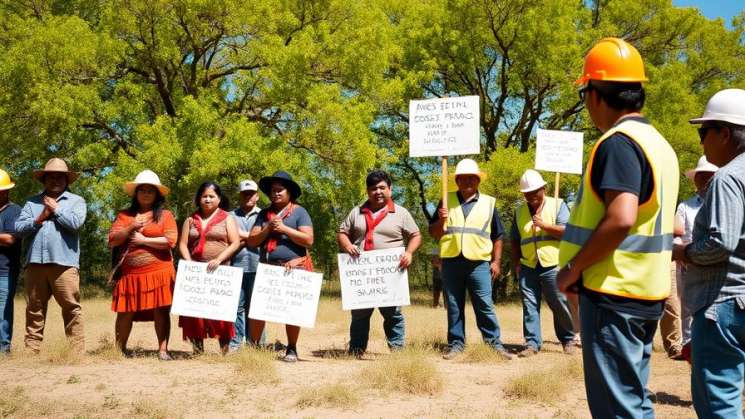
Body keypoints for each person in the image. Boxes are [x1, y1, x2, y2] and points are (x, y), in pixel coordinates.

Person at [556, 38, 679, 418]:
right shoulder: (660, 145)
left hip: (613, 294)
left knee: (617, 409)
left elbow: (622, 216)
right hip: (647, 293)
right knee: (634, 401)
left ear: (593, 94)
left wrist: (573, 269)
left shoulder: (618, 143)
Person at [673, 88, 745, 418]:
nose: (701, 142)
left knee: (717, 400)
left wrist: (684, 252)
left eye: (704, 132)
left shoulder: (727, 178)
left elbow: (720, 243)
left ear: (725, 133)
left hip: (722, 306)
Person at [429, 158, 513, 360]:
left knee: (484, 304)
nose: (468, 181)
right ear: (456, 180)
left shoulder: (489, 203)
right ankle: (456, 344)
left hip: (479, 264)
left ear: (478, 181)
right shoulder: (445, 200)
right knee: (454, 305)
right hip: (451, 262)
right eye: (464, 178)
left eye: (472, 178)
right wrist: (441, 220)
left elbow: (498, 235)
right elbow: (434, 233)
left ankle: (494, 344)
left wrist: (496, 261)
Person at [337, 170, 421, 357]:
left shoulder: (401, 213)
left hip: (390, 273)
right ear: (368, 191)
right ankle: (356, 350)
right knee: (359, 315)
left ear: (390, 189)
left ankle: (397, 351)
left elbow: (416, 235)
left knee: (393, 314)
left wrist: (409, 252)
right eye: (373, 188)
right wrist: (348, 245)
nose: (378, 191)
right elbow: (341, 232)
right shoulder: (356, 212)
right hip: (362, 274)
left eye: (382, 187)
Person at [15, 158, 88, 353]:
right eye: (51, 177)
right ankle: (31, 351)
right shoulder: (31, 203)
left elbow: (76, 223)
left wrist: (55, 210)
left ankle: (76, 353)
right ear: (44, 180)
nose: (55, 180)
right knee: (34, 309)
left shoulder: (76, 201)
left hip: (65, 264)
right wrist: (40, 218)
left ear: (67, 180)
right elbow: (19, 228)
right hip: (35, 263)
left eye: (60, 177)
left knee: (71, 307)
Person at [108, 170, 177, 360]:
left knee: (161, 310)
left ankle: (163, 350)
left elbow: (171, 240)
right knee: (125, 311)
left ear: (156, 194)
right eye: (142, 190)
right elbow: (112, 240)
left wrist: (143, 240)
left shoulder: (165, 215)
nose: (146, 193)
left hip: (160, 272)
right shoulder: (124, 215)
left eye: (150, 190)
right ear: (136, 193)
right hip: (130, 275)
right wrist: (130, 227)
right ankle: (119, 349)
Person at [247, 171, 313, 363]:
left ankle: (291, 348)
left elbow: (309, 240)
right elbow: (252, 241)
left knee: (292, 312)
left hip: (293, 269)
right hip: (268, 268)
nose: (275, 193)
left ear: (289, 192)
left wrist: (284, 229)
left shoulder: (300, 212)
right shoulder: (263, 214)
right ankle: (254, 346)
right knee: (258, 310)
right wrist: (268, 227)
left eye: (280, 190)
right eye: (272, 190)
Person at [510, 169, 575, 357]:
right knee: (529, 305)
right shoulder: (520, 211)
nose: (531, 197)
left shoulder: (558, 204)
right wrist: (516, 263)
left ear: (544, 188)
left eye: (535, 192)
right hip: (528, 265)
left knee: (559, 303)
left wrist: (545, 225)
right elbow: (514, 239)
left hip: (553, 264)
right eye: (527, 194)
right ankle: (532, 343)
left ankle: (568, 339)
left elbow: (568, 232)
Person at [178, 181, 241, 355]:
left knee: (220, 313)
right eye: (204, 196)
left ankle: (225, 350)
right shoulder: (190, 220)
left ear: (219, 199)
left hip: (220, 271)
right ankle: (197, 351)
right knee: (195, 313)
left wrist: (219, 259)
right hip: (196, 273)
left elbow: (235, 242)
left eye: (211, 196)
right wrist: (189, 261)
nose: (207, 199)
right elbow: (182, 244)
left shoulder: (227, 218)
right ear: (199, 199)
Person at [673, 156, 717, 362]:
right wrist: (682, 252)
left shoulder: (723, 202)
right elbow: (678, 232)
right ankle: (688, 346)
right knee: (687, 306)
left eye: (710, 175)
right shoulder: (685, 206)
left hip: (715, 262)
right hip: (688, 262)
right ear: (696, 179)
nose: (705, 179)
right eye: (702, 175)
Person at [228, 179, 266, 351]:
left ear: (257, 196)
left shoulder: (265, 215)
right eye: (245, 194)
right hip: (236, 266)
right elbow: (230, 239)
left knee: (257, 308)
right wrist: (251, 238)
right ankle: (235, 344)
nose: (248, 197)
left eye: (251, 193)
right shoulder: (230, 216)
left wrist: (243, 237)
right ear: (240, 196)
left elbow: (263, 239)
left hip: (260, 267)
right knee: (236, 307)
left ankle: (256, 345)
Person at [0, 169, 21, 353]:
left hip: (4, 271)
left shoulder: (14, 211)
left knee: (2, 311)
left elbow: (10, 239)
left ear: (5, 192)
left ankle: (3, 349)